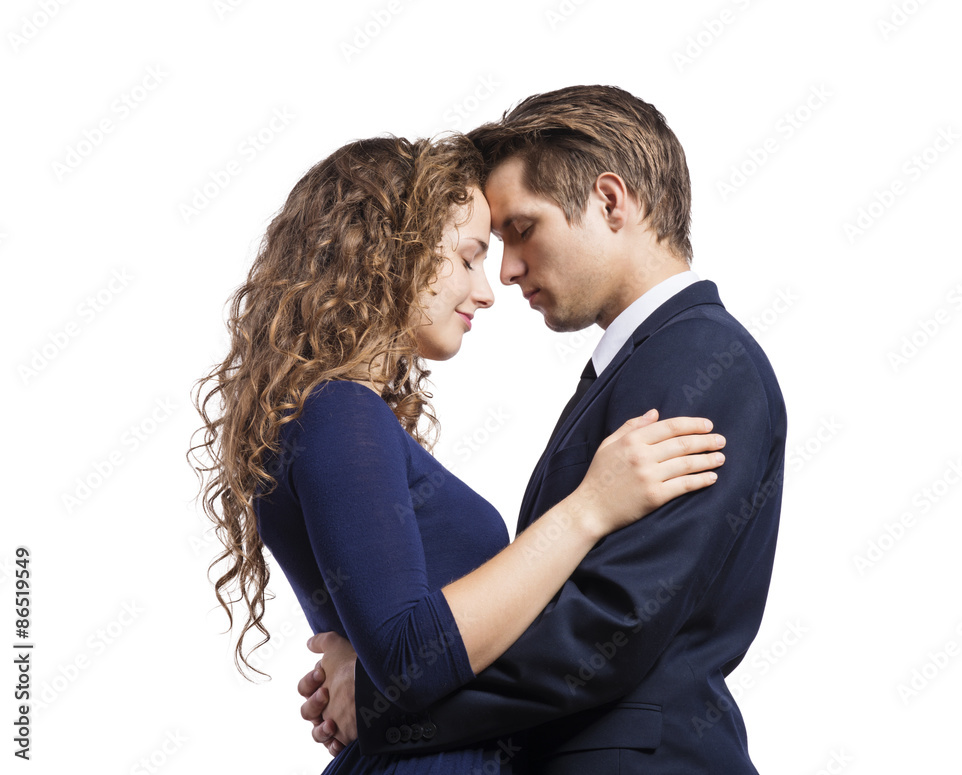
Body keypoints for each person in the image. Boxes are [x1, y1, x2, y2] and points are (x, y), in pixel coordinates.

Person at [190, 133, 727, 775]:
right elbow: (408, 656)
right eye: (470, 258)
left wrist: (361, 669)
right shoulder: (340, 411)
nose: (488, 290)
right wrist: (590, 508)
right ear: (393, 254)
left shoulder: (338, 412)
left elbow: (395, 646)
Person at [299, 86, 787, 774]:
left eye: (522, 230)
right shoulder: (639, 365)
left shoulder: (700, 357)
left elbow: (609, 625)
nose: (506, 272)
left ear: (611, 202)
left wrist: (382, 699)